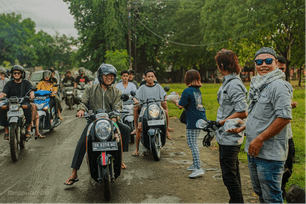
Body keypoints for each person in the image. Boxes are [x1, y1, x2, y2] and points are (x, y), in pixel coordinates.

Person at [229, 47, 292, 203]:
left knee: (272, 197)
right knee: (260, 193)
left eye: (268, 61)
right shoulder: (260, 85)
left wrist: (260, 138)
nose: (263, 64)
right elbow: (262, 115)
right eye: (259, 61)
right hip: (254, 151)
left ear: (276, 63)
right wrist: (245, 126)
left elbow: (284, 118)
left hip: (269, 154)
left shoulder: (278, 86)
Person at [64, 63, 130, 185]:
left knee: (125, 130)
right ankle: (74, 172)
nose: (109, 78)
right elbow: (83, 102)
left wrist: (115, 118)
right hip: (93, 122)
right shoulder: (90, 89)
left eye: (112, 75)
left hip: (111, 122)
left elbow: (118, 107)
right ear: (100, 76)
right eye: (106, 75)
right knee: (82, 143)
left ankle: (120, 160)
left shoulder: (116, 91)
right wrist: (81, 110)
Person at [213, 49, 247, 203]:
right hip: (225, 135)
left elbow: (242, 111)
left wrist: (220, 122)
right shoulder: (229, 81)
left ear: (221, 65)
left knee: (229, 177)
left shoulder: (234, 84)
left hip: (230, 136)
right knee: (233, 173)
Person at [170, 69, 206, 178]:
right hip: (200, 118)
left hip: (193, 120)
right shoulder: (196, 90)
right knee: (193, 142)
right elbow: (188, 101)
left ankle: (198, 168)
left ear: (187, 79)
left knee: (192, 143)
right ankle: (195, 164)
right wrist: (179, 97)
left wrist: (173, 100)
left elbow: (181, 105)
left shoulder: (187, 90)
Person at [132, 69, 172, 157]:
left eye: (152, 76)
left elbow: (164, 95)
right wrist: (135, 100)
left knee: (165, 113)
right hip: (145, 109)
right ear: (145, 78)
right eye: (148, 76)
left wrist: (165, 98)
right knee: (139, 127)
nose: (150, 78)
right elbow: (135, 97)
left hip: (157, 108)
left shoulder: (158, 87)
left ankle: (166, 131)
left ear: (154, 77)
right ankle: (137, 149)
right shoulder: (142, 88)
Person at [277, 55, 297, 198]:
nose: (281, 72)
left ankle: (282, 187)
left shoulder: (287, 86)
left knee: (289, 164)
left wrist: (290, 106)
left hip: (287, 132)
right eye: (278, 69)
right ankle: (277, 190)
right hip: (274, 135)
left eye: (283, 69)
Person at [0, 65, 34, 140]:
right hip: (11, 102)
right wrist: (1, 96)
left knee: (27, 107)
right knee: (2, 108)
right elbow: (4, 93)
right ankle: (6, 131)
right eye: (14, 73)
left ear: (21, 74)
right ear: (12, 74)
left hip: (23, 101)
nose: (16, 74)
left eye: (18, 73)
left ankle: (28, 128)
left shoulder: (26, 83)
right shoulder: (9, 83)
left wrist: (31, 95)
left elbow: (31, 91)